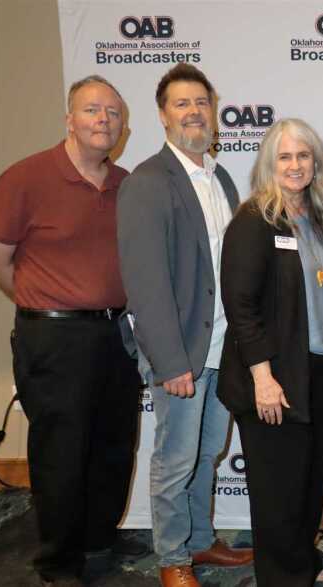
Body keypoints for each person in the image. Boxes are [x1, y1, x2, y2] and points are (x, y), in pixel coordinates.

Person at [0, 75, 145, 585]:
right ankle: (57, 561)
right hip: (54, 338)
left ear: (123, 127)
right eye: (92, 110)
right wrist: (45, 303)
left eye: (113, 113)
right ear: (69, 119)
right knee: (60, 452)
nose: (103, 120)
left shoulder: (127, 184)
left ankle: (98, 542)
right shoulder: (26, 178)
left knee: (114, 443)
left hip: (116, 335)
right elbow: (0, 259)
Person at [117, 64, 252, 587]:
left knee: (207, 452)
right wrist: (171, 362)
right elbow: (145, 284)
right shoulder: (149, 182)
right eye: (181, 103)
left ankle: (200, 542)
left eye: (201, 102)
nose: (194, 111)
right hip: (182, 353)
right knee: (174, 459)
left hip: (222, 347)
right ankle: (173, 558)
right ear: (162, 114)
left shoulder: (218, 177)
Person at [217, 118, 323, 586]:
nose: (295, 165)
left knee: (310, 478)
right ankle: (282, 577)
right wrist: (263, 378)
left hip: (315, 371)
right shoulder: (254, 221)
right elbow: (240, 306)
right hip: (273, 376)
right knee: (278, 488)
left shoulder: (320, 215)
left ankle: (300, 558)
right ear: (268, 165)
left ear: (316, 163)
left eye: (303, 156)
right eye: (285, 157)